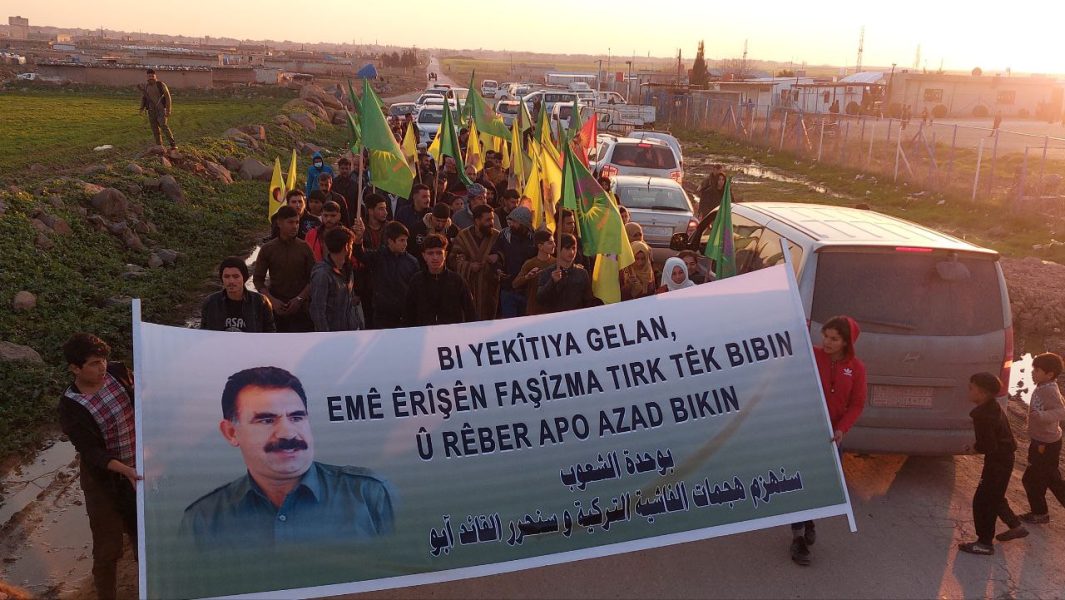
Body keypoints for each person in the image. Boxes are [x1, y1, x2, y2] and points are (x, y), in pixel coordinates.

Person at [180, 367, 394, 551]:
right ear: (231, 432)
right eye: (266, 420)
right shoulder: (203, 520)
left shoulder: (369, 494)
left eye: (296, 417)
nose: (288, 433)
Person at [58, 334, 140, 600]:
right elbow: (91, 452)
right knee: (108, 548)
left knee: (142, 535)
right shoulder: (72, 406)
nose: (102, 367)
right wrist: (124, 470)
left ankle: (148, 587)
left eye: (103, 360)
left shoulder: (117, 373)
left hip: (137, 470)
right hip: (104, 481)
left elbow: (141, 399)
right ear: (75, 368)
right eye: (94, 363)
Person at [790, 316, 866, 566]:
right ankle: (798, 537)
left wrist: (842, 429)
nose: (827, 342)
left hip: (832, 438)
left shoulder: (856, 368)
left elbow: (856, 405)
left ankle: (809, 520)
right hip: (805, 432)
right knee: (800, 484)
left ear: (846, 342)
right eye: (825, 336)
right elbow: (789, 348)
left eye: (834, 338)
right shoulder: (812, 354)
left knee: (820, 487)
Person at [957, 373, 1028, 555]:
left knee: (982, 501)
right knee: (994, 495)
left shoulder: (982, 415)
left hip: (997, 462)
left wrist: (973, 447)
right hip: (1006, 458)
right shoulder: (994, 406)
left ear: (982, 393)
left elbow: (988, 445)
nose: (968, 391)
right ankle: (1015, 525)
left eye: (971, 388)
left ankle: (984, 542)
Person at [1019, 352, 1065, 524]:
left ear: (1049, 374)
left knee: (1032, 479)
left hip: (1045, 444)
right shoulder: (1044, 386)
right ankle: (1040, 512)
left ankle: (1040, 513)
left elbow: (1061, 411)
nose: (1033, 373)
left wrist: (1040, 416)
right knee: (1052, 479)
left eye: (1037, 370)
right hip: (1045, 441)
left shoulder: (1049, 390)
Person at [253, 206, 315, 332]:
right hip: (276, 310)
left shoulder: (305, 248)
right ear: (279, 223)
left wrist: (299, 299)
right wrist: (271, 300)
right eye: (290, 222)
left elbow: (313, 278)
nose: (295, 226)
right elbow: (258, 280)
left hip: (302, 310)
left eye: (297, 222)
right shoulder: (268, 249)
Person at [354, 221, 420, 328]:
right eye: (401, 240)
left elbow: (416, 290)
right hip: (382, 317)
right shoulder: (378, 257)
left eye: (406, 240)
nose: (405, 244)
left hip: (405, 316)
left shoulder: (412, 262)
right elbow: (360, 254)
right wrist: (359, 237)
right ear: (390, 241)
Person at [404, 234, 478, 326]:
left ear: (445, 254)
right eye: (430, 253)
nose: (435, 257)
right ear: (424, 255)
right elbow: (408, 314)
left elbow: (471, 313)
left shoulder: (457, 281)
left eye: (439, 253)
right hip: (423, 332)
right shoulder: (416, 281)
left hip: (452, 332)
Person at [451, 205, 502, 321]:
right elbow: (454, 259)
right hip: (469, 288)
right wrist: (469, 266)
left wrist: (498, 257)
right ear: (477, 221)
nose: (491, 223)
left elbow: (505, 257)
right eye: (487, 220)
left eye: (492, 219)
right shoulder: (463, 236)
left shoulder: (497, 236)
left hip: (489, 290)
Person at [200, 257, 276, 332]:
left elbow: (270, 334)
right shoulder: (211, 302)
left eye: (236, 276)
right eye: (226, 276)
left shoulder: (260, 302)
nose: (231, 281)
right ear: (221, 278)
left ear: (244, 277)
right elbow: (203, 333)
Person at [310, 227, 364, 332]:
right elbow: (318, 310)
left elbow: (351, 302)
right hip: (333, 334)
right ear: (346, 247)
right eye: (351, 244)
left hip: (350, 331)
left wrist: (358, 325)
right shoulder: (322, 274)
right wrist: (326, 335)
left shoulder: (347, 269)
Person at [491, 206, 537, 318]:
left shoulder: (534, 238)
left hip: (527, 289)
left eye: (515, 222)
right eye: (511, 221)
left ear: (524, 223)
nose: (512, 224)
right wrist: (498, 268)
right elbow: (496, 254)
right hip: (508, 288)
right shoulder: (504, 235)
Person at [537, 233, 594, 313]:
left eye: (574, 248)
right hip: (555, 318)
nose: (572, 252)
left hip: (576, 317)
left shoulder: (582, 273)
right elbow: (540, 299)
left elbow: (588, 300)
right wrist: (552, 282)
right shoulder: (547, 273)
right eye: (567, 248)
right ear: (558, 249)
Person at [513, 230, 556, 316]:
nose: (554, 245)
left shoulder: (557, 263)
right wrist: (527, 277)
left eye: (554, 242)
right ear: (540, 246)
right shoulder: (530, 263)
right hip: (534, 309)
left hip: (552, 309)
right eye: (550, 243)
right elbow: (515, 284)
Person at [410, 202, 459, 266]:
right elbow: (412, 250)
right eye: (438, 220)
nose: (440, 224)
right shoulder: (418, 228)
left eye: (444, 221)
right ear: (432, 216)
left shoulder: (453, 230)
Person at [138, 69, 176, 149]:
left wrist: (168, 110)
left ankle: (173, 144)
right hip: (151, 111)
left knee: (163, 125)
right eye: (149, 76)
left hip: (161, 109)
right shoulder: (146, 87)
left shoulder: (161, 85)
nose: (151, 78)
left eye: (152, 76)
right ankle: (159, 146)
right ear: (147, 77)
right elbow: (143, 98)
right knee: (155, 129)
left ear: (155, 76)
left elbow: (168, 97)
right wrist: (141, 108)